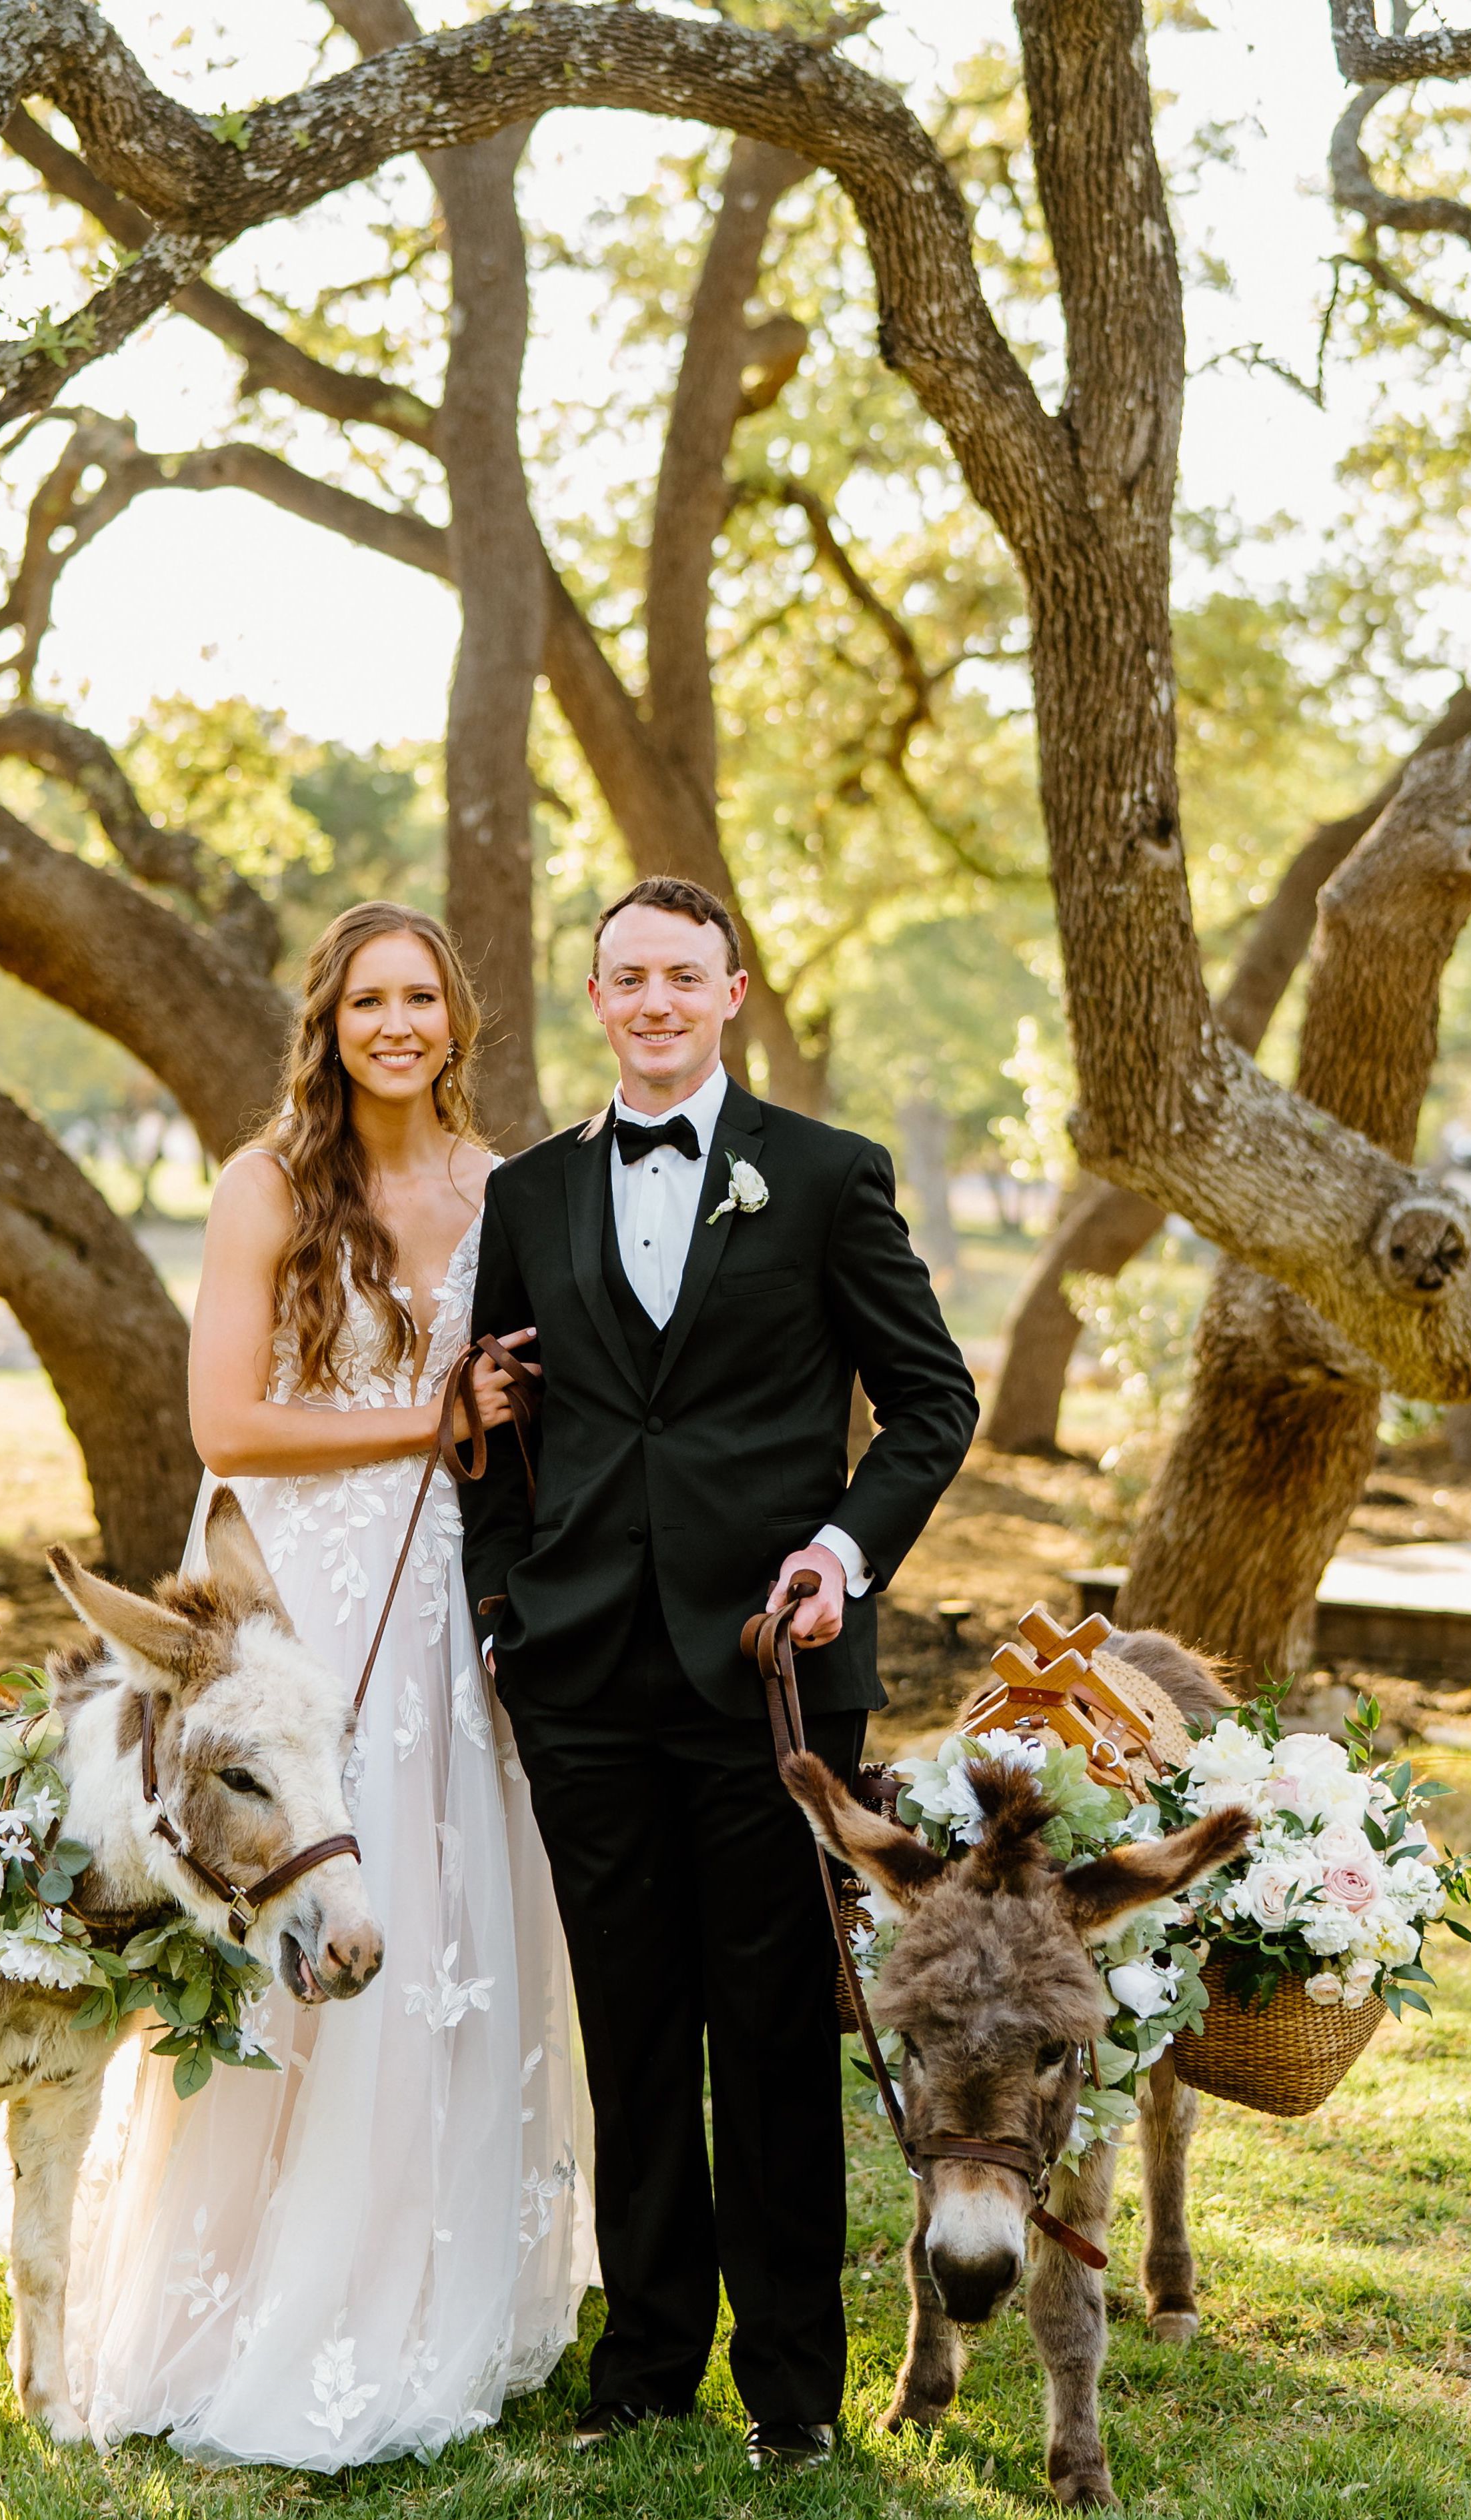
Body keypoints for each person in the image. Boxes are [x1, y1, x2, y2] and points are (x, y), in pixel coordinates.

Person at [0, 900, 589, 2467]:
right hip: (287, 1573)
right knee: (263, 1885)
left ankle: (426, 2271)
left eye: (423, 999)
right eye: (369, 999)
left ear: (459, 1021)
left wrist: (500, 1432)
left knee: (438, 1902)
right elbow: (229, 1423)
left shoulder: (510, 1184)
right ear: (328, 1021)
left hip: (448, 1575)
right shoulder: (268, 1183)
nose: (399, 1023)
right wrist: (423, 1419)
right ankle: (239, 2274)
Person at [460, 875, 978, 2473]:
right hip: (585, 1673)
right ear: (596, 997)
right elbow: (491, 1423)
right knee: (630, 2018)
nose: (657, 1001)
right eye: (629, 977)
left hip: (772, 1675)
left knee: (764, 2029)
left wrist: (839, 1551)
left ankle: (797, 2384)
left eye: (686, 975)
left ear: (733, 990)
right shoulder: (530, 1195)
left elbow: (932, 1399)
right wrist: (501, 1607)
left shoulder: (823, 1177)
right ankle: (648, 2354)